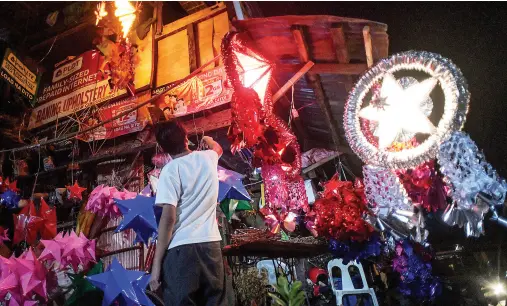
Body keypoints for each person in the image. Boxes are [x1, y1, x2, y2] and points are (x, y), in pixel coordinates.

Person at [149, 120, 226, 306]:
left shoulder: (169, 171)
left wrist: (156, 266)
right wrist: (207, 138)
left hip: (182, 251)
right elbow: (218, 148)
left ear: (163, 148)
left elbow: (168, 219)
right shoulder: (208, 157)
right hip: (211, 247)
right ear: (186, 137)